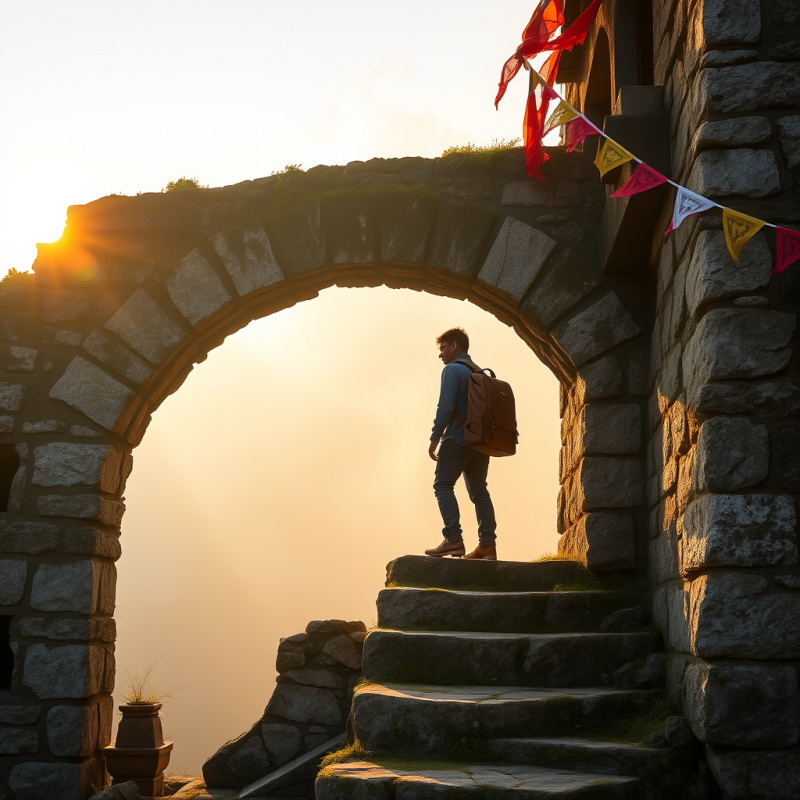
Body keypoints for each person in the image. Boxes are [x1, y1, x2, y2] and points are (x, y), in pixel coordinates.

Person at [425, 328, 498, 561]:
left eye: (443, 348)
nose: (441, 355)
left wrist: (435, 437)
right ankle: (487, 546)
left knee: (443, 485)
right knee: (480, 492)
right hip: (480, 442)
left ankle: (453, 539)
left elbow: (445, 407)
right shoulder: (481, 372)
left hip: (457, 438)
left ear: (454, 346)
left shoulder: (452, 370)